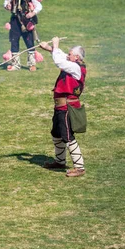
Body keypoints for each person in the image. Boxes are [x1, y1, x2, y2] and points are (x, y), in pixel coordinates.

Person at [39, 37, 87, 177]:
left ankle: (79, 167)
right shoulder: (72, 63)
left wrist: (55, 44)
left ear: (76, 57)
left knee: (67, 137)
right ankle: (60, 161)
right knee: (56, 134)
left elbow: (59, 61)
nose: (68, 55)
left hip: (67, 108)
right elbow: (61, 57)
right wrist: (49, 48)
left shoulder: (75, 67)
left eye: (70, 53)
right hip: (60, 107)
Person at [3, 0, 42, 72]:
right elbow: (6, 2)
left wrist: (33, 13)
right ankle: (16, 64)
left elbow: (39, 5)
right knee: (14, 41)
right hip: (15, 19)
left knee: (29, 41)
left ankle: (31, 63)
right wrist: (7, 6)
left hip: (27, 20)